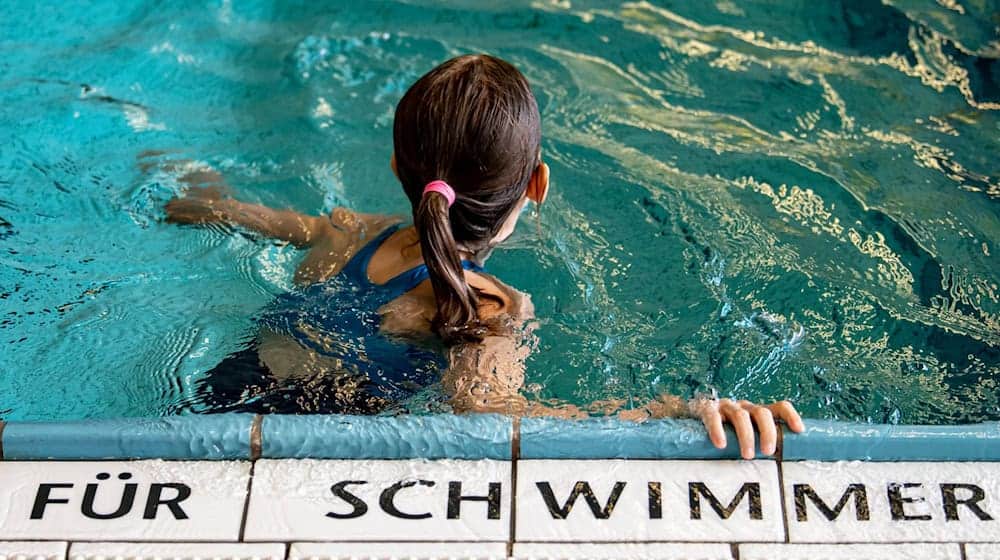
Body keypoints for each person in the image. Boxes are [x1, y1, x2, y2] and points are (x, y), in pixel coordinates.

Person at [162, 54, 804, 459]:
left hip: (210, 398)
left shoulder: (346, 232)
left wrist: (196, 188)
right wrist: (682, 412)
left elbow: (217, 211)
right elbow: (499, 418)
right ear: (537, 185)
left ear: (396, 169)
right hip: (306, 451)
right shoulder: (490, 307)